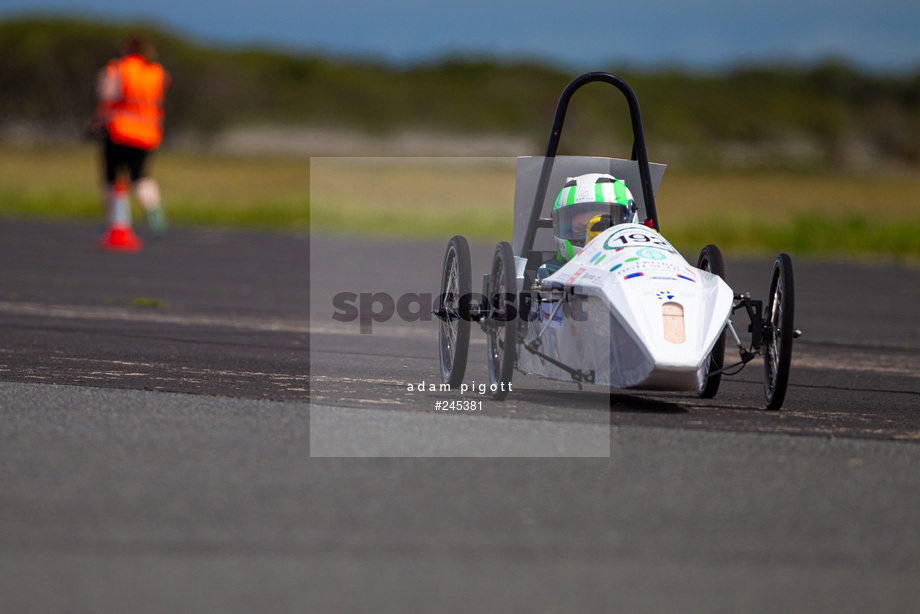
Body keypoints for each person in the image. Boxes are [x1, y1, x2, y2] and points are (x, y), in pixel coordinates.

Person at [90, 35, 170, 235]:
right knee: (140, 175)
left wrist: (97, 122)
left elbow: (107, 98)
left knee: (112, 176)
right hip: (147, 133)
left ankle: (114, 219)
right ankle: (154, 210)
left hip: (119, 130)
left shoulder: (118, 69)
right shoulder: (156, 73)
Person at [537, 173, 638, 280]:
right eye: (580, 229)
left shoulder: (645, 265)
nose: (591, 236)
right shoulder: (550, 275)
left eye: (603, 226)